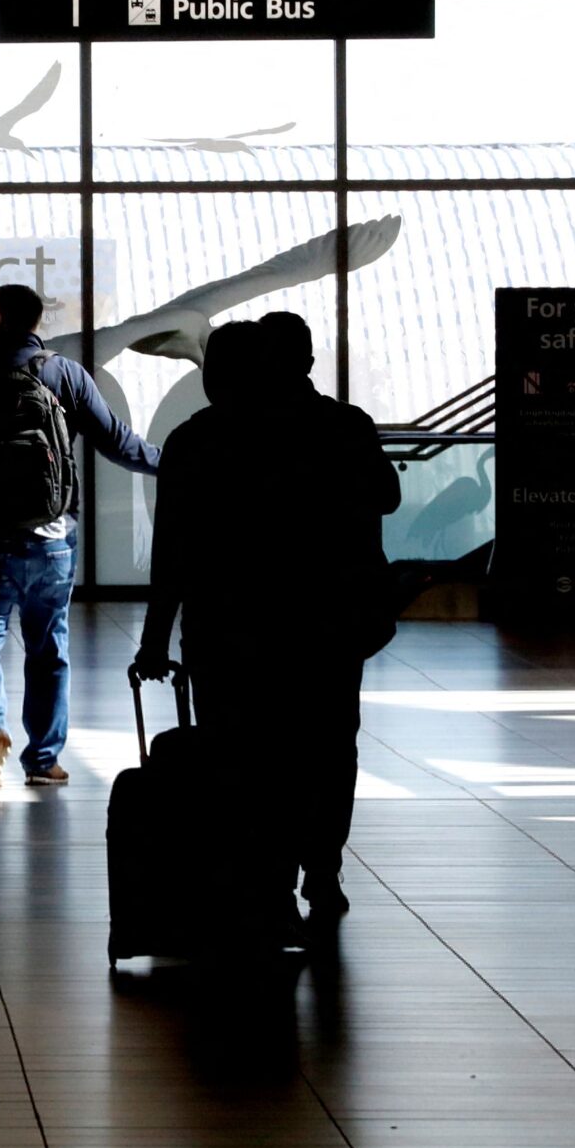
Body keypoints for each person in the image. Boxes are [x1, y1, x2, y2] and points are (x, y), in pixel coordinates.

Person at [138, 312, 399, 931]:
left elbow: (173, 550)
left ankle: (266, 875)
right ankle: (323, 866)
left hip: (226, 628)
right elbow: (386, 497)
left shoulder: (198, 440)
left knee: (241, 751)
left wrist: (154, 637)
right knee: (329, 745)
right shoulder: (340, 426)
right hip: (328, 624)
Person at [0, 283, 159, 789]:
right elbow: (116, 441)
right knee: (49, 649)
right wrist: (175, 462)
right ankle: (43, 759)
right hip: (51, 540)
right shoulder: (62, 374)